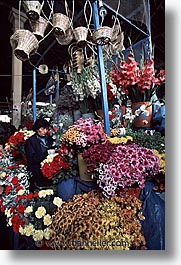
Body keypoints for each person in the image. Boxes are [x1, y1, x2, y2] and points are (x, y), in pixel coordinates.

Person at [25, 118, 54, 191]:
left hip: (49, 171)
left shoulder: (49, 139)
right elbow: (32, 158)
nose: (45, 131)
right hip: (37, 172)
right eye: (42, 129)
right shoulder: (31, 141)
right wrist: (46, 153)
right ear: (37, 129)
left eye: (46, 129)